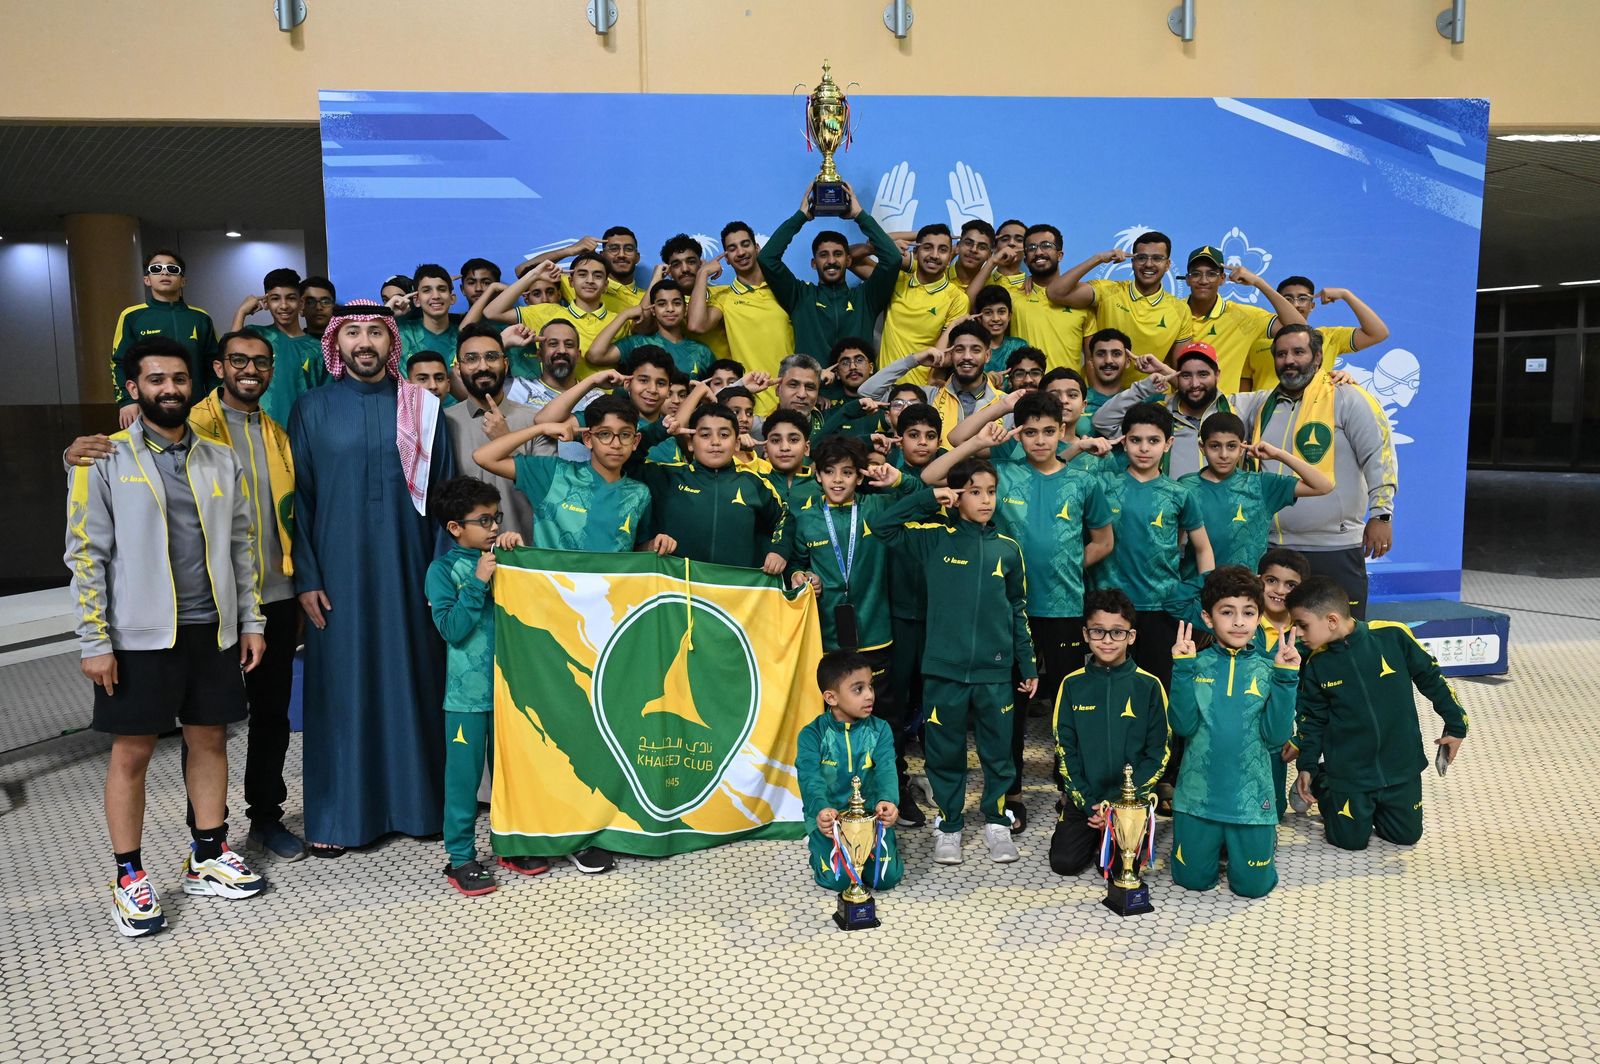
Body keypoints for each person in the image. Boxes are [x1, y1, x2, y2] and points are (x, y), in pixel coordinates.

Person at [64, 331, 307, 861]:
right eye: (156, 379)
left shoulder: (227, 453)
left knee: (214, 737)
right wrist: (94, 641)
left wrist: (251, 622)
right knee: (134, 750)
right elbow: (85, 556)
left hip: (218, 626)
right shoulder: (105, 457)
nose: (169, 388)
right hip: (141, 633)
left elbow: (241, 545)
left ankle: (213, 852)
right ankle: (132, 872)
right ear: (134, 388)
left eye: (177, 378)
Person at [288, 301, 456, 856]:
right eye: (353, 333)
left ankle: (419, 807)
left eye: (376, 333)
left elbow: (446, 500)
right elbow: (299, 499)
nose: (365, 342)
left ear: (392, 343)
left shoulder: (423, 409)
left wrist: (441, 575)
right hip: (336, 572)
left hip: (411, 568)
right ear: (337, 342)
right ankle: (340, 817)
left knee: (414, 678)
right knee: (342, 687)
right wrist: (307, 575)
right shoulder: (311, 408)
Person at [924, 401, 1114, 831]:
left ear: (1062, 428)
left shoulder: (1084, 481)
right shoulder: (1002, 474)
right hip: (1006, 611)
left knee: (1067, 703)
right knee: (1008, 710)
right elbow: (941, 464)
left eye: (1048, 431)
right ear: (1017, 434)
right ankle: (1010, 794)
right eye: (1030, 432)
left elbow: (1103, 542)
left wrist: (1066, 565)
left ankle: (1070, 787)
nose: (1040, 440)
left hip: (1063, 608)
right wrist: (1002, 409)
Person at [874, 456, 1038, 866]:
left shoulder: (1008, 549)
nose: (985, 500)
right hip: (943, 669)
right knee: (944, 750)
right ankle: (948, 824)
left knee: (998, 751)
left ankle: (997, 822)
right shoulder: (934, 539)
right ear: (957, 496)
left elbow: (1018, 609)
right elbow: (883, 526)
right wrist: (931, 498)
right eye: (975, 492)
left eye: (991, 492)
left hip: (995, 670)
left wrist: (1027, 663)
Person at [788, 435, 946, 827]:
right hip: (827, 635)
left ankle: (894, 792)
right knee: (829, 719)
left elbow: (925, 497)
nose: (837, 480)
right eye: (829, 472)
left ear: (860, 477)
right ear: (817, 475)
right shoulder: (806, 517)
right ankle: (829, 797)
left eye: (847, 472)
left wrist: (898, 480)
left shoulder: (878, 506)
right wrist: (801, 575)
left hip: (876, 631)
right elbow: (796, 563)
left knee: (886, 718)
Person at [1286, 575, 1468, 852]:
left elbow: (1433, 679)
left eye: (1302, 625)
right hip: (1350, 772)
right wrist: (1308, 767)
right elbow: (1311, 720)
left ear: (1332, 620)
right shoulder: (1316, 663)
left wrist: (1456, 726)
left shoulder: (1393, 635)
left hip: (1401, 766)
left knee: (1405, 836)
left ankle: (1375, 804)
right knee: (1349, 842)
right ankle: (1325, 782)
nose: (1298, 633)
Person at [1231, 324, 1397, 617]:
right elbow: (1204, 397)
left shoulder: (1347, 397)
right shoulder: (1260, 404)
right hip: (1274, 549)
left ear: (1318, 357)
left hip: (1334, 548)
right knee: (1277, 638)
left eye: (1299, 352)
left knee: (1339, 636)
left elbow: (1379, 455)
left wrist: (1382, 514)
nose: (1289, 360)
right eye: (1281, 354)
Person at [1168, 568, 1300, 898]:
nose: (1239, 622)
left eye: (1248, 613)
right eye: (1227, 612)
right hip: (1197, 799)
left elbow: (1276, 737)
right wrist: (1182, 669)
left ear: (1259, 616)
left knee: (1253, 887)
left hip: (1251, 803)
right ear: (1207, 618)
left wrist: (1287, 678)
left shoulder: (1269, 669)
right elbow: (1182, 726)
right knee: (1192, 880)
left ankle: (1250, 843)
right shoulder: (1194, 665)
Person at [427, 478, 527, 896]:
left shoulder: (504, 558)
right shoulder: (442, 570)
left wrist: (517, 557)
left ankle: (512, 845)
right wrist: (477, 581)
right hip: (466, 700)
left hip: (510, 693)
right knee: (463, 783)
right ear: (455, 527)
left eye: (496, 517)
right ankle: (461, 858)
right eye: (483, 520)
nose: (493, 526)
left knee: (512, 776)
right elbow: (452, 629)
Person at [1089, 403, 1214, 710]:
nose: (1144, 448)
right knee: (1110, 689)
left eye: (1153, 440)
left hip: (1161, 606)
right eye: (1136, 440)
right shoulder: (1103, 486)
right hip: (1110, 605)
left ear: (1168, 444)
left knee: (1158, 690)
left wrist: (1205, 596)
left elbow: (1202, 548)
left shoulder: (1179, 493)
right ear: (1124, 441)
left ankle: (1159, 742)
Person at [1048, 589, 1171, 877]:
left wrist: (1121, 805)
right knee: (1064, 863)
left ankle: (1116, 834)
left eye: (1117, 632)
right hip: (1086, 798)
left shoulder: (1149, 686)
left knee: (1116, 868)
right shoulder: (1071, 685)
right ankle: (1088, 827)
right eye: (1098, 631)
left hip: (1129, 801)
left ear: (1131, 636)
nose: (1106, 640)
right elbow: (1064, 751)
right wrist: (1087, 802)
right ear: (1085, 634)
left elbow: (1159, 753)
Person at [630, 402, 791, 572]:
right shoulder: (668, 476)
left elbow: (785, 517)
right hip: (676, 583)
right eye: (705, 435)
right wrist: (658, 431)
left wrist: (779, 550)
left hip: (736, 585)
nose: (715, 442)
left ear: (737, 443)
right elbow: (627, 463)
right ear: (690, 443)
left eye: (724, 435)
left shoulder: (754, 483)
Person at [758, 181, 901, 365]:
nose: (831, 261)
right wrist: (800, 217)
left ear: (849, 260)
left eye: (838, 254)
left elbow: (892, 258)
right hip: (812, 384)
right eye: (823, 255)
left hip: (859, 384)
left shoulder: (866, 298)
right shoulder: (799, 296)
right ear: (813, 263)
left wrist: (859, 215)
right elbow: (767, 258)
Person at [797, 650, 904, 894]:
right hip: (831, 821)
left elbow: (887, 770)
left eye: (870, 686)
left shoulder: (880, 729)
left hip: (870, 819)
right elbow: (809, 778)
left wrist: (888, 801)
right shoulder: (812, 734)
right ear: (831, 697)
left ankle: (882, 846)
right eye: (858, 689)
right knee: (840, 881)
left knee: (885, 879)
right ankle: (817, 846)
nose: (869, 695)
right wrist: (821, 810)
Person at [1179, 411, 1333, 573]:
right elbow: (1174, 539)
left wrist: (1278, 454)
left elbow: (1323, 486)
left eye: (1231, 446)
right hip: (1194, 584)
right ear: (1202, 447)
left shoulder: (1260, 485)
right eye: (1215, 446)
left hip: (1246, 586)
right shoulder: (1187, 486)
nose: (1223, 455)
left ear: (1242, 448)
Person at [1047, 231, 1193, 381]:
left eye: (1157, 258)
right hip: (1100, 393)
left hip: (1151, 394)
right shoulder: (1108, 291)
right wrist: (1099, 258)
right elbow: (1055, 292)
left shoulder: (1180, 310)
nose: (1149, 264)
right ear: (1132, 262)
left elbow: (1180, 371)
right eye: (1141, 258)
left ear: (1167, 264)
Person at [444, 324, 544, 539]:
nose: (483, 366)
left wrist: (506, 440)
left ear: (505, 364)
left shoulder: (536, 421)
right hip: (466, 555)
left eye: (491, 357)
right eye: (471, 359)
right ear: (458, 369)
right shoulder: (444, 423)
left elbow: (548, 494)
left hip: (525, 551)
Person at [689, 221, 796, 412]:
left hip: (792, 399)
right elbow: (696, 325)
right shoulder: (724, 297)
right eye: (732, 248)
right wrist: (702, 274)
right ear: (727, 259)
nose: (740, 252)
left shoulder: (783, 289)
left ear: (757, 248)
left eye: (745, 244)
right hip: (751, 406)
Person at [111, 250, 220, 428]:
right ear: (147, 280)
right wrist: (127, 400)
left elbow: (214, 364)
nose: (164, 272)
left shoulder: (201, 317)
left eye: (172, 269)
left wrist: (214, 402)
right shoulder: (132, 316)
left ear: (183, 280)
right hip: (149, 409)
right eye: (156, 269)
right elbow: (119, 362)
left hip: (197, 409)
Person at [1093, 344, 1232, 479]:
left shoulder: (1235, 407)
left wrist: (1164, 369)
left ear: (1217, 375)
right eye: (1186, 375)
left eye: (1203, 374)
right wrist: (1143, 388)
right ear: (1177, 377)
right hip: (1168, 495)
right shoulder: (1159, 414)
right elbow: (1103, 421)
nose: (1195, 383)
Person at [1181, 246, 1304, 393]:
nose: (1203, 280)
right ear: (1187, 279)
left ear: (1222, 279)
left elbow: (1300, 329)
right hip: (1173, 406)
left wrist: (1258, 282)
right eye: (1196, 274)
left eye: (1211, 274)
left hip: (1223, 407)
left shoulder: (1242, 316)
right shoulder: (1174, 311)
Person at [485, 256, 623, 381]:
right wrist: (534, 274)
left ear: (606, 285)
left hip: (608, 398)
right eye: (582, 274)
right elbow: (492, 312)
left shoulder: (621, 321)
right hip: (554, 395)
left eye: (597, 276)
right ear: (571, 281)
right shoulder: (545, 311)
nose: (590, 280)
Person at [1245, 277, 1391, 388]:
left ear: (1312, 305)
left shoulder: (1328, 337)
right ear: (1277, 304)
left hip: (1313, 416)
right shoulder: (1255, 342)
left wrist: (1346, 295)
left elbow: (1377, 333)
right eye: (1287, 299)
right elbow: (1244, 390)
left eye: (1302, 298)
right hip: (1265, 417)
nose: (1295, 304)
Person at [1257, 547, 1312, 818]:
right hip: (1236, 727)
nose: (1279, 590)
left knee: (1272, 811)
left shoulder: (1308, 637)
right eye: (1271, 580)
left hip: (1277, 734)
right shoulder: (1239, 623)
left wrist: (1300, 739)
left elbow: (1311, 698)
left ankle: (1316, 778)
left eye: (1291, 585)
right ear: (1258, 580)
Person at [881, 223, 972, 386]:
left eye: (943, 250)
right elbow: (872, 244)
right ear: (915, 252)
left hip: (921, 390)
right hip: (883, 387)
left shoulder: (957, 298)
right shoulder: (896, 280)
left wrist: (929, 391)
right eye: (928, 247)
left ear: (950, 258)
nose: (934, 255)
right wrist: (921, 234)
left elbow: (945, 353)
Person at [229, 267, 319, 425]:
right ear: (266, 303)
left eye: (291, 298)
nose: (284, 305)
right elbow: (230, 361)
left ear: (301, 302)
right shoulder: (256, 336)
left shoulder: (318, 348)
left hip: (303, 431)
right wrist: (241, 313)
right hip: (258, 430)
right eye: (275, 298)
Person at [502, 318, 595, 462]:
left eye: (569, 345)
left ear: (578, 355)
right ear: (539, 354)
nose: (562, 350)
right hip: (526, 474)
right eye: (553, 344)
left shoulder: (596, 398)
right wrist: (502, 341)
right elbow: (470, 387)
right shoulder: (515, 389)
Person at [1008, 224, 1092, 371]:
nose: (1038, 252)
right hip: (1026, 384)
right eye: (1031, 248)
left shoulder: (1081, 301)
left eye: (1046, 245)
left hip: (1069, 385)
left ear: (1060, 255)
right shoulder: (1012, 298)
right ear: (1026, 260)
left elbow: (1091, 360)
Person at [591, 279, 714, 377]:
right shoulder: (637, 343)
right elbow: (595, 356)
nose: (670, 309)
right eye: (662, 304)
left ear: (685, 308)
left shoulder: (701, 351)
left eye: (677, 303)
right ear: (653, 310)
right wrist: (624, 315)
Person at [393, 264, 464, 397]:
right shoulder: (400, 335)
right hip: (413, 408)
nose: (435, 296)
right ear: (416, 300)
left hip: (460, 409)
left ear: (452, 298)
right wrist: (388, 313)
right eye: (427, 290)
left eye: (442, 289)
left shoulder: (464, 338)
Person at [757, 408, 815, 509]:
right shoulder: (755, 485)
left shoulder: (822, 491)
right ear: (765, 449)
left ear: (806, 448)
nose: (784, 448)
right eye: (775, 440)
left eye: (793, 440)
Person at [974, 285, 1031, 374]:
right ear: (979, 318)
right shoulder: (972, 348)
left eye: (1001, 312)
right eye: (988, 312)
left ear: (1009, 316)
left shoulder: (1019, 347)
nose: (996, 318)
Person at [1083, 329, 1132, 419]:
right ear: (1091, 361)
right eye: (1101, 354)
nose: (1108, 360)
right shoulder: (1076, 400)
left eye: (1116, 354)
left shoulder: (1136, 402)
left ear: (1127, 361)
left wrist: (1159, 370)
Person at [300, 276, 337, 341]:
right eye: (311, 302)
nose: (318, 307)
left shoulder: (345, 343)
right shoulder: (292, 345)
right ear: (301, 309)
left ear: (334, 306)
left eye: (325, 302)